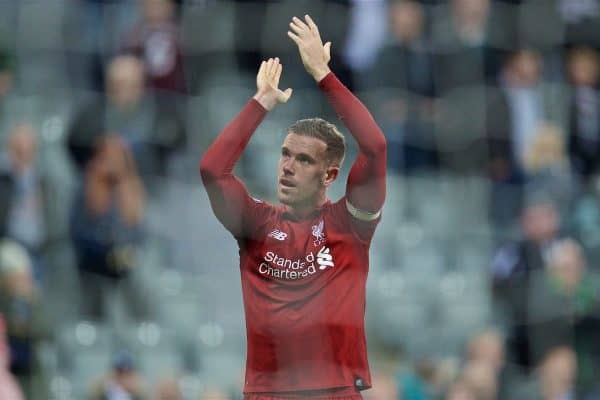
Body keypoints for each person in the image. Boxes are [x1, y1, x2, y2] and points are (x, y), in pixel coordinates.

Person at [200, 14, 386, 399]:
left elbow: (376, 147)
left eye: (303, 160)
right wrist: (260, 103)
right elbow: (212, 171)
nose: (287, 167)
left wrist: (323, 75)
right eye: (285, 155)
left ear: (330, 175)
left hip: (333, 390)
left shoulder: (350, 225)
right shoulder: (256, 223)